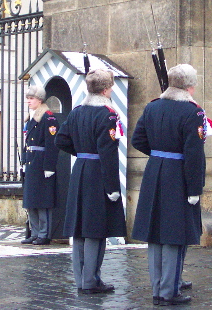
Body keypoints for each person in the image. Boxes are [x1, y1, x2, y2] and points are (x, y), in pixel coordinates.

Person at [132, 64, 208, 306]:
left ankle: (157, 289)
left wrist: (159, 154)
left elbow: (138, 139)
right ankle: (169, 292)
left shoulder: (152, 106)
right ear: (190, 86)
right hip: (178, 176)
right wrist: (195, 188)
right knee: (175, 235)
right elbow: (194, 154)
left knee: (155, 234)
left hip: (154, 171)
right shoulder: (192, 112)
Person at [55, 69, 126, 294]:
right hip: (97, 174)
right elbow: (108, 154)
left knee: (79, 227)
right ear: (105, 89)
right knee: (95, 228)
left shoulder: (77, 112)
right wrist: (113, 187)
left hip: (81, 170)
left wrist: (82, 151)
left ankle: (81, 279)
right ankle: (91, 280)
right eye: (111, 87)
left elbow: (61, 140)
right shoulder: (108, 115)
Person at [21, 85, 59, 245]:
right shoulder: (32, 118)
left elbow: (52, 144)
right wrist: (23, 162)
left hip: (42, 164)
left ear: (40, 100)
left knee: (43, 202)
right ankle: (35, 232)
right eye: (28, 98)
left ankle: (44, 234)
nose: (28, 101)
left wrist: (49, 166)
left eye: (31, 98)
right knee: (31, 201)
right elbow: (26, 144)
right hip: (31, 163)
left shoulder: (48, 118)